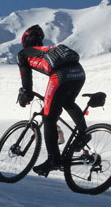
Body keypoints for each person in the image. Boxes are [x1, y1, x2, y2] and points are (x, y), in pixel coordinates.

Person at [16, 24, 89, 177]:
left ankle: (53, 160)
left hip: (61, 75)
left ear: (25, 41)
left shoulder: (24, 54)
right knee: (67, 102)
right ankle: (83, 134)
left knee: (49, 117)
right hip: (79, 72)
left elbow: (26, 78)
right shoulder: (49, 50)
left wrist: (26, 95)